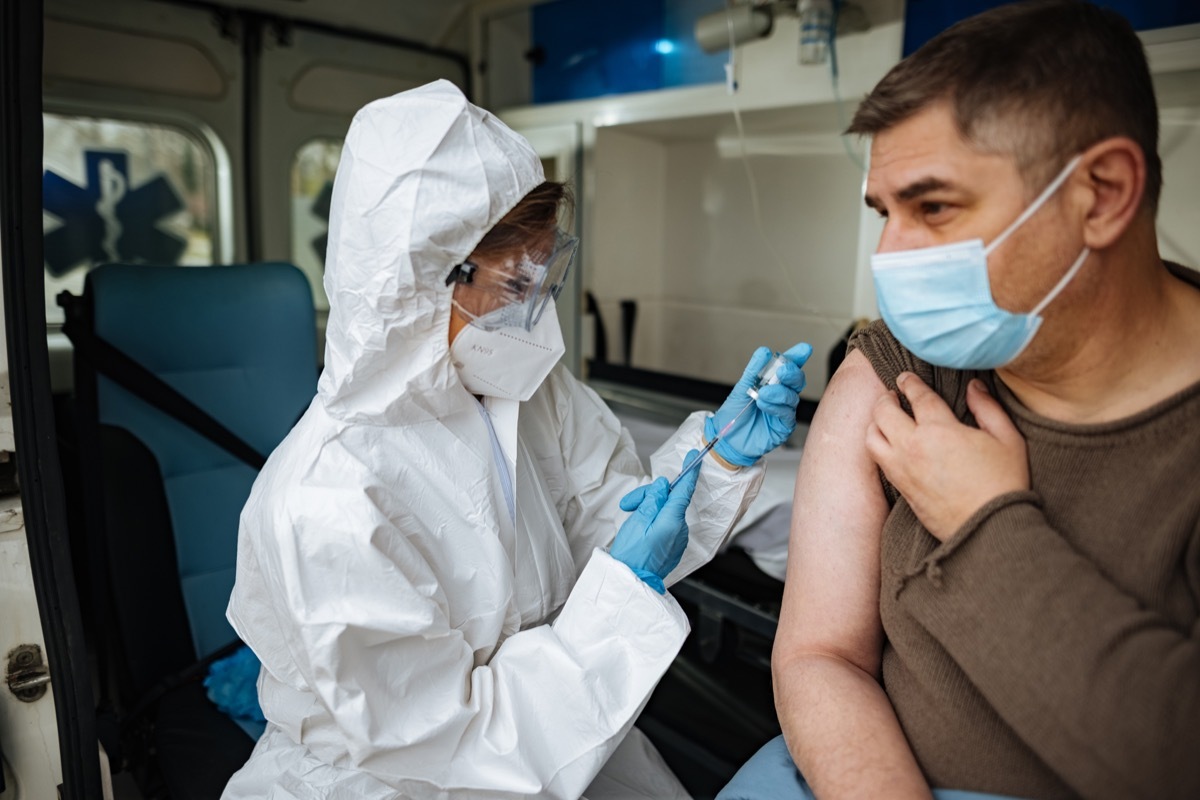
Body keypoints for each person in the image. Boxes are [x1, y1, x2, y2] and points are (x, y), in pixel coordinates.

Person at [220, 79, 812, 799]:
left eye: (545, 275)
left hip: (563, 735)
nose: (537, 317)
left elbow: (622, 534)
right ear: (420, 281)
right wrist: (623, 588)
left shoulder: (526, 392)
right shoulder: (329, 498)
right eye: (514, 286)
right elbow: (460, 739)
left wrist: (718, 462)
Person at [721, 2, 1200, 799]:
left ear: (1103, 193)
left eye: (933, 207)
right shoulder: (898, 372)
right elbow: (818, 656)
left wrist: (983, 525)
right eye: (885, 213)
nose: (889, 256)